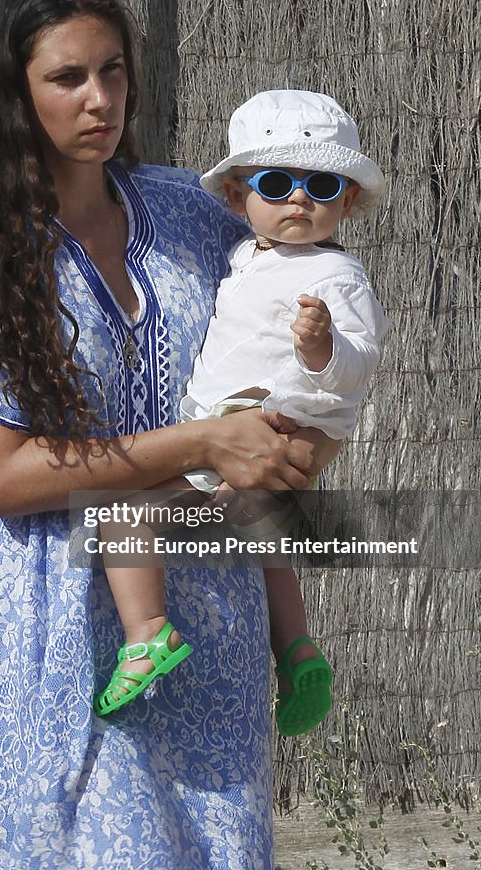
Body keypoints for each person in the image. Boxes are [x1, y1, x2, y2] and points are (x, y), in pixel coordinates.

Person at [0, 0, 339, 870]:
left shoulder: (193, 215)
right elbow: (4, 476)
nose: (100, 99)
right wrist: (201, 441)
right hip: (29, 635)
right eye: (67, 77)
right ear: (13, 95)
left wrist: (291, 441)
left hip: (200, 628)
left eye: (113, 70)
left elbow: (286, 343)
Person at [94, 91, 388, 731]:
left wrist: (324, 349)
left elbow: (360, 363)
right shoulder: (245, 257)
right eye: (276, 184)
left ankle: (146, 633)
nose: (299, 199)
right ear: (236, 197)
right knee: (264, 542)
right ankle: (298, 650)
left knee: (122, 515)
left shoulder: (338, 277)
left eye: (321, 186)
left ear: (348, 201)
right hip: (243, 430)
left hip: (262, 427)